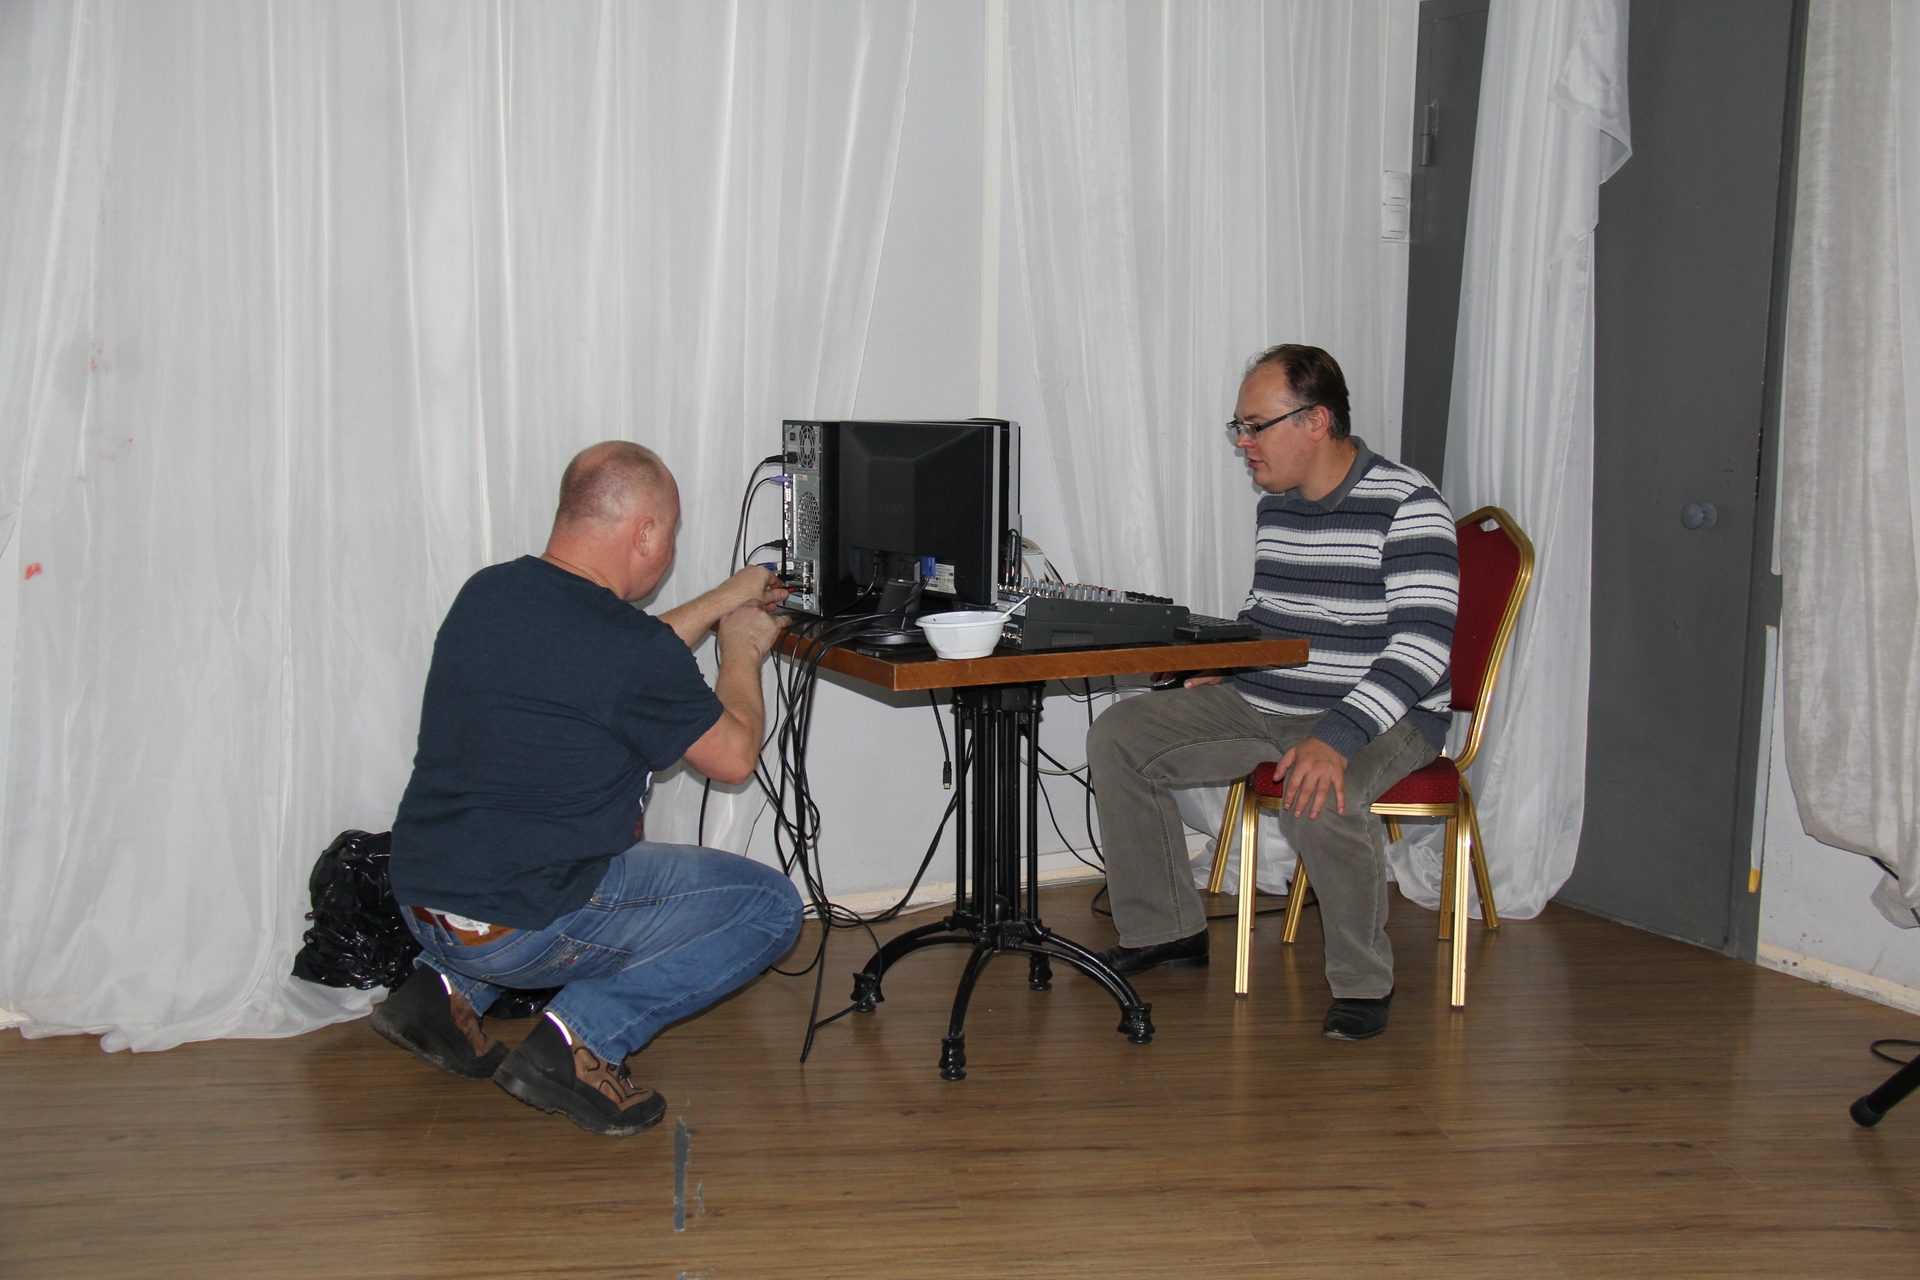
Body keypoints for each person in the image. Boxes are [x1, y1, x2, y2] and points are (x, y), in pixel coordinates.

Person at [374, 441, 803, 1135]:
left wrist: (728, 595)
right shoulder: (626, 649)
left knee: (517, 851)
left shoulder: (490, 592)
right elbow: (733, 757)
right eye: (672, 531)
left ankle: (440, 996)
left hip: (425, 901)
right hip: (515, 929)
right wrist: (741, 651)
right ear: (647, 534)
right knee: (769, 908)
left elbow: (618, 659)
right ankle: (581, 1042)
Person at [1086, 344, 1457, 1041]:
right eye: (1240, 427)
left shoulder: (1409, 506)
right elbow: (1268, 618)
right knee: (1121, 735)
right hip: (1270, 699)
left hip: (1386, 714)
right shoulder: (1278, 509)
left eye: (1255, 426)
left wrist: (1334, 738)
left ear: (1315, 421)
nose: (1243, 443)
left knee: (1319, 792)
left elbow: (1421, 650)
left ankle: (1363, 982)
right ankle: (1166, 928)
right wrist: (1230, 665)